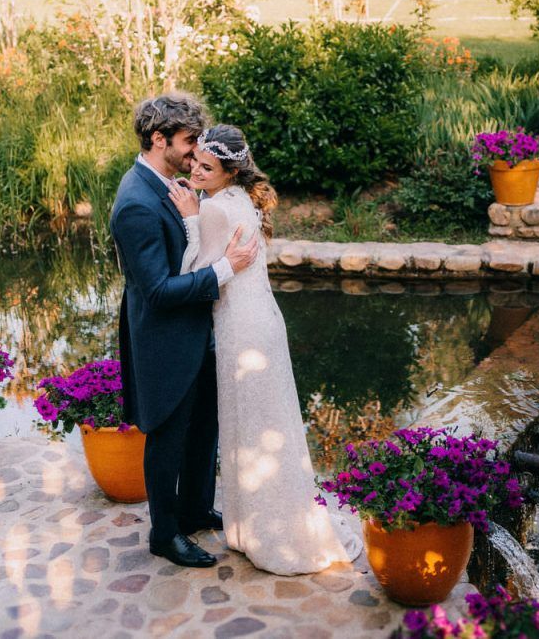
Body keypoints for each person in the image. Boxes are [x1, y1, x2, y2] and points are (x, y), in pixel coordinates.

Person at [166, 124, 361, 574]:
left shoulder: (214, 211)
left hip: (242, 330)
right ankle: (255, 526)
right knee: (264, 424)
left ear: (229, 171)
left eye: (206, 167)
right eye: (195, 160)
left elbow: (191, 274)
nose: (195, 169)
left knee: (250, 427)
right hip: (263, 324)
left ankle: (271, 533)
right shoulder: (241, 200)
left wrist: (191, 219)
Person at [109, 95, 260, 568]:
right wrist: (225, 269)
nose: (197, 152)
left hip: (199, 332)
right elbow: (156, 290)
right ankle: (164, 533)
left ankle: (195, 508)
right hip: (165, 339)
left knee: (203, 430)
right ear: (159, 139)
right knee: (168, 438)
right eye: (190, 141)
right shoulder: (135, 202)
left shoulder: (168, 184)